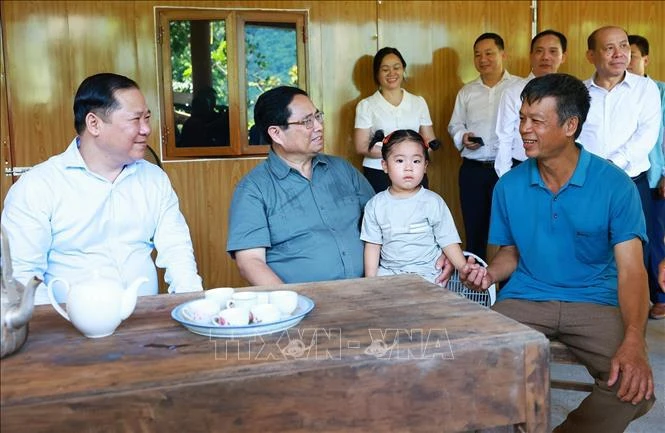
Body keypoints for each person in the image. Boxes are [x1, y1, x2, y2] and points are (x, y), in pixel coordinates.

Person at [460, 73, 655, 433]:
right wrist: (487, 273)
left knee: (635, 390)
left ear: (570, 125)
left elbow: (632, 272)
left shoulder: (615, 185)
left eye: (536, 120)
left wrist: (634, 337)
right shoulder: (508, 186)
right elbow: (511, 255)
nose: (524, 129)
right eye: (521, 118)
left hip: (595, 302)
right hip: (527, 297)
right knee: (467, 365)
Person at [1, 73, 203, 304]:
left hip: (142, 322)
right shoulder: (38, 186)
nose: (146, 129)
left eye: (147, 118)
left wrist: (193, 306)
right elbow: (23, 275)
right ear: (94, 124)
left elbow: (177, 251)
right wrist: (57, 328)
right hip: (68, 326)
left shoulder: (153, 179)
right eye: (135, 119)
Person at [578, 26, 661, 275]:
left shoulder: (646, 89)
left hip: (631, 184)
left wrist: (611, 165)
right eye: (609, 48)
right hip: (587, 185)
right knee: (589, 249)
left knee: (634, 252)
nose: (619, 53)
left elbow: (646, 135)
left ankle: (632, 311)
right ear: (591, 55)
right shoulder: (578, 92)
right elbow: (572, 135)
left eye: (623, 46)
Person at [361, 129, 485, 284]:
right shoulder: (375, 205)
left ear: (425, 166)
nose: (408, 167)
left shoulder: (433, 202)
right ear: (384, 165)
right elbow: (373, 245)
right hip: (389, 275)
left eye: (416, 161)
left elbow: (448, 240)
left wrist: (463, 267)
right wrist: (370, 282)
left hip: (429, 276)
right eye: (400, 161)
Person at [447, 33, 518, 260]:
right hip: (473, 169)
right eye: (478, 55)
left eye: (489, 53)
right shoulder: (467, 91)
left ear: (503, 55)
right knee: (475, 229)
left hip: (508, 169)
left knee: (510, 231)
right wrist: (462, 136)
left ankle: (508, 287)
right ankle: (476, 287)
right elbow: (455, 124)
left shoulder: (519, 87)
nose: (483, 59)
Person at [354, 47, 437, 193]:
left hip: (414, 171)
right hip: (378, 171)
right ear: (377, 74)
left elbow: (429, 139)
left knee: (416, 214)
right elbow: (361, 146)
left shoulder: (418, 102)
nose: (391, 73)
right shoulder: (366, 105)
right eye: (385, 69)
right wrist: (397, 153)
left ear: (403, 69)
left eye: (396, 67)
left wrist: (410, 157)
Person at [627, 34, 665, 320]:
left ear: (646, 59)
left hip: (654, 178)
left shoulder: (660, 91)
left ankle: (659, 296)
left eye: (632, 55)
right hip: (624, 177)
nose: (626, 60)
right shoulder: (613, 92)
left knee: (654, 240)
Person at [494, 29, 567, 177]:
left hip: (562, 169)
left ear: (563, 57)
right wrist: (505, 177)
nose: (546, 57)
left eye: (553, 51)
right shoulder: (513, 92)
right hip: (522, 167)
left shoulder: (570, 92)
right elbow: (504, 138)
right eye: (539, 51)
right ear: (531, 56)